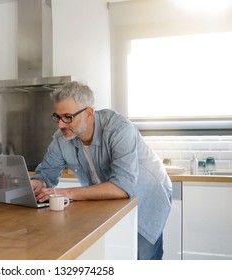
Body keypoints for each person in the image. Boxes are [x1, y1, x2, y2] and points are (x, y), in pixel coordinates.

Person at [31, 81, 172, 260]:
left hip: (148, 193)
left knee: (144, 257)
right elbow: (46, 174)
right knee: (117, 254)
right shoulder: (62, 138)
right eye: (57, 117)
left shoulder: (119, 129)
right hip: (112, 200)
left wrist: (65, 192)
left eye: (67, 117)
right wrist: (36, 183)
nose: (60, 124)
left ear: (89, 113)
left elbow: (121, 187)